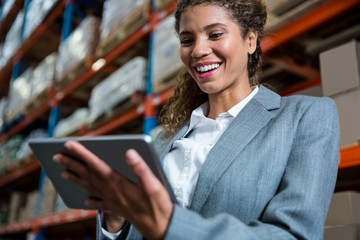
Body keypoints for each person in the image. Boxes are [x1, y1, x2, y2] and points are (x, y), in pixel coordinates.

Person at [53, 0, 340, 239]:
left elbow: (295, 235)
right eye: (187, 40)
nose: (198, 50)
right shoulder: (159, 140)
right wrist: (115, 219)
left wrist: (169, 224)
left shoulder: (305, 117)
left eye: (215, 34)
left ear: (250, 39)